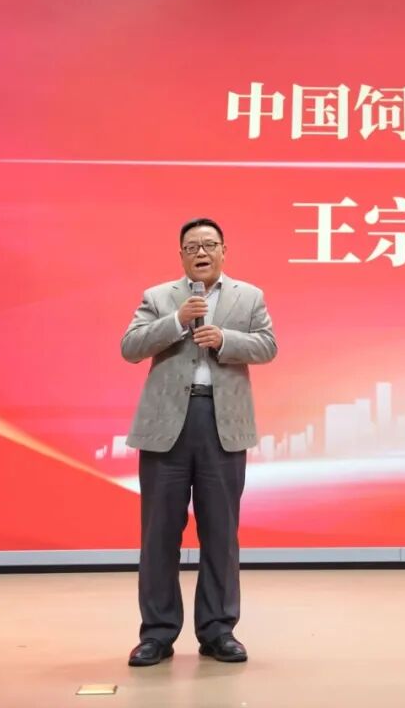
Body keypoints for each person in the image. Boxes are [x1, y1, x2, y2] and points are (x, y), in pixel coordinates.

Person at [120, 217, 277, 666]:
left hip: (221, 423)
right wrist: (177, 321)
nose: (201, 252)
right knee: (159, 533)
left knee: (221, 534)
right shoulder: (159, 297)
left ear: (224, 251)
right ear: (182, 255)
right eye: (192, 247)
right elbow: (130, 347)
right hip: (166, 425)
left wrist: (226, 339)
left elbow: (268, 346)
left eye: (209, 245)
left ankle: (218, 631)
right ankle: (157, 634)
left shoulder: (250, 296)